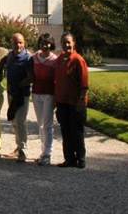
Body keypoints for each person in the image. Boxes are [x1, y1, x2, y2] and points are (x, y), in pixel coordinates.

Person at [55, 32, 89, 169]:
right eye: (64, 42)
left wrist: (81, 101)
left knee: (77, 133)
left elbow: (84, 84)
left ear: (74, 43)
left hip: (76, 103)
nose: (66, 45)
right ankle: (69, 159)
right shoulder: (60, 59)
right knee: (66, 132)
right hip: (63, 102)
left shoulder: (78, 60)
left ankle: (80, 159)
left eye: (69, 42)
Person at [4, 33, 33, 162]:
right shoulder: (10, 55)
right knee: (15, 122)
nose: (18, 45)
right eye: (16, 42)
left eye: (20, 42)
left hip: (22, 94)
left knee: (20, 121)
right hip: (11, 93)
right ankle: (18, 147)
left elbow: (31, 77)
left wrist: (21, 85)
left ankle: (23, 150)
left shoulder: (28, 57)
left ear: (24, 43)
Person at [32, 33, 58, 166]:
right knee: (40, 123)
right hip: (36, 93)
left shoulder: (55, 60)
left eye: (47, 43)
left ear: (51, 44)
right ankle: (43, 152)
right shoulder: (35, 57)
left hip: (49, 94)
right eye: (42, 43)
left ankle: (47, 153)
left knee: (47, 124)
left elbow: (57, 80)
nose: (45, 46)